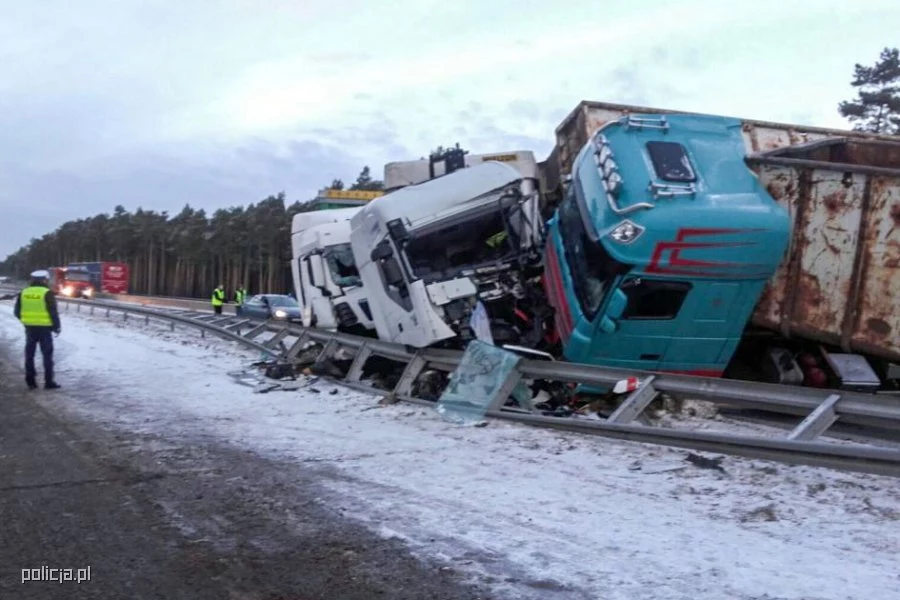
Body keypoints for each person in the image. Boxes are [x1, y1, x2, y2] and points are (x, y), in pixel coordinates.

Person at [13, 270, 61, 390]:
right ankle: (48, 382)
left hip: (30, 329)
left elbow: (17, 312)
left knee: (29, 355)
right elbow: (53, 312)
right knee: (47, 356)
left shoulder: (23, 292)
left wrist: (26, 321)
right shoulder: (47, 293)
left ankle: (30, 381)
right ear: (45, 280)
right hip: (45, 329)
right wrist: (56, 327)